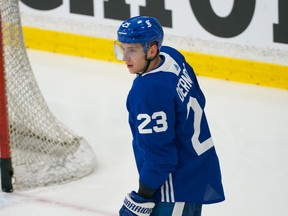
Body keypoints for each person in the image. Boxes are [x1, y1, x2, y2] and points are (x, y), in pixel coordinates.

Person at [114, 16, 225, 216]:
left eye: (132, 50)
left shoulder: (148, 92)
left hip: (173, 188)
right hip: (195, 171)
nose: (124, 57)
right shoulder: (173, 57)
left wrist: (143, 195)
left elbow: (161, 159)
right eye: (122, 48)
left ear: (152, 49)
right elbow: (199, 97)